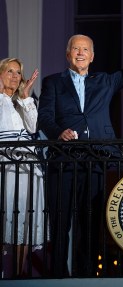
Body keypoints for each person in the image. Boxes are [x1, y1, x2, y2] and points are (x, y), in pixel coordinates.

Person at [37, 27, 123, 277]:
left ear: (92, 56)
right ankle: (57, 277)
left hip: (96, 160)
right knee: (60, 222)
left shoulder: (105, 81)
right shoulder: (53, 82)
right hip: (64, 162)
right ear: (68, 55)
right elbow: (44, 116)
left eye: (85, 49)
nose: (80, 53)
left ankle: (85, 276)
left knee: (90, 225)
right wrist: (59, 132)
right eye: (76, 49)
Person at [0, 58, 44, 276]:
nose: (15, 76)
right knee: (5, 214)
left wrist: (25, 97)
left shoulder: (22, 101)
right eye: (9, 71)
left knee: (24, 221)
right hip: (5, 166)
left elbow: (33, 126)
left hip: (28, 167)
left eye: (18, 72)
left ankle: (18, 276)